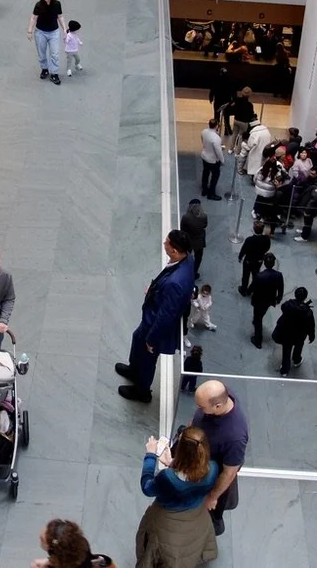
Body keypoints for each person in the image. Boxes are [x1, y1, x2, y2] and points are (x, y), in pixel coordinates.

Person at [115, 230, 195, 402]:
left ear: (174, 250)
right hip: (151, 318)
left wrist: (152, 339)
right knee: (137, 338)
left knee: (147, 357)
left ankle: (142, 391)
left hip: (155, 326)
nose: (163, 244)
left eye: (166, 242)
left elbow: (166, 315)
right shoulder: (186, 260)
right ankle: (134, 369)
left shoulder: (175, 283)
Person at [136, 427, 219, 567]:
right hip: (197, 514)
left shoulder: (168, 478)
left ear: (181, 452)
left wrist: (150, 455)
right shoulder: (213, 468)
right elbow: (194, 473)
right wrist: (172, 464)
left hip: (167, 520)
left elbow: (147, 488)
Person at [192, 380, 248, 536]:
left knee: (211, 513)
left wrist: (213, 496)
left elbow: (229, 472)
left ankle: (212, 528)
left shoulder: (234, 438)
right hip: (203, 462)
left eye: (201, 407)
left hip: (212, 474)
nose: (199, 409)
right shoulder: (222, 396)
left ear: (217, 406)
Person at [31, 519, 113, 568]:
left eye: (42, 539)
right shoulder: (104, 561)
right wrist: (49, 561)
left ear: (54, 550)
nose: (40, 534)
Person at [28, 0, 68, 85]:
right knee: (41, 53)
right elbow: (33, 18)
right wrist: (30, 31)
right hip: (40, 32)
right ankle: (44, 69)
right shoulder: (38, 5)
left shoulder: (57, 4)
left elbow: (60, 16)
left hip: (54, 32)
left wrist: (64, 29)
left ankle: (54, 74)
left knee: (55, 54)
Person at [272, 287, 315, 376]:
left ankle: (285, 370)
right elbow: (311, 325)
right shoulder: (308, 311)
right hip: (300, 335)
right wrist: (311, 335)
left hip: (287, 332)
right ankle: (296, 360)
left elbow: (283, 307)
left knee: (286, 351)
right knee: (299, 347)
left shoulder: (289, 305)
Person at [249, 253, 283, 348]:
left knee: (258, 320)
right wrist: (278, 298)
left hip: (258, 301)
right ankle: (257, 321)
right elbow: (280, 289)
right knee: (261, 313)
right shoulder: (278, 275)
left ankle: (258, 340)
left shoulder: (259, 276)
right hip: (269, 301)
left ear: (264, 263)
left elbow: (252, 287)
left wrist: (248, 291)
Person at [237, 221, 270, 295]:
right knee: (256, 275)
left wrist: (240, 257)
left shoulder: (249, 240)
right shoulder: (266, 239)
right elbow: (267, 248)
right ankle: (251, 290)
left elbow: (244, 249)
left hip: (249, 260)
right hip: (258, 260)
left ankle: (243, 289)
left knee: (245, 276)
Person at [293, 168, 317, 242]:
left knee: (308, 221)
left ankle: (304, 236)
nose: (310, 175)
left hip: (311, 207)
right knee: (306, 220)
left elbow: (313, 200)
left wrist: (307, 210)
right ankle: (304, 230)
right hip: (306, 204)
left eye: (313, 174)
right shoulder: (312, 181)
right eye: (310, 173)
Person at [180, 199, 208, 278]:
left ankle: (185, 271)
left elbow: (182, 228)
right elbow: (205, 225)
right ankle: (194, 272)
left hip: (188, 240)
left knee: (186, 256)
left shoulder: (185, 217)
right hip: (199, 240)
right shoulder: (204, 216)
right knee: (198, 257)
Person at [200, 118, 224, 201]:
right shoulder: (216, 138)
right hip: (213, 160)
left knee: (205, 173)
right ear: (217, 126)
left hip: (204, 156)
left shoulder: (204, 132)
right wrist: (222, 160)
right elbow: (218, 151)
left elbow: (203, 141)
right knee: (215, 176)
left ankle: (204, 189)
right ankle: (211, 194)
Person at [209, 67, 234, 137]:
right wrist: (233, 100)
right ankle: (227, 130)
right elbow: (233, 90)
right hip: (226, 100)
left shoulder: (217, 80)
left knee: (217, 115)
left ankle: (216, 129)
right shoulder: (230, 80)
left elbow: (212, 89)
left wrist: (211, 98)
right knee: (226, 116)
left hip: (218, 100)